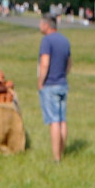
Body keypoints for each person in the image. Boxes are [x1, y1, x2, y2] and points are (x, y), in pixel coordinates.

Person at [37, 13, 71, 162]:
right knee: (62, 119)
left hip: (50, 85)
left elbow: (45, 62)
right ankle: (62, 151)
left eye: (40, 23)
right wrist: (63, 74)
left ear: (46, 25)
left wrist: (40, 81)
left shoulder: (46, 41)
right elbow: (69, 63)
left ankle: (56, 157)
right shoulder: (65, 40)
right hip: (63, 83)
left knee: (54, 121)